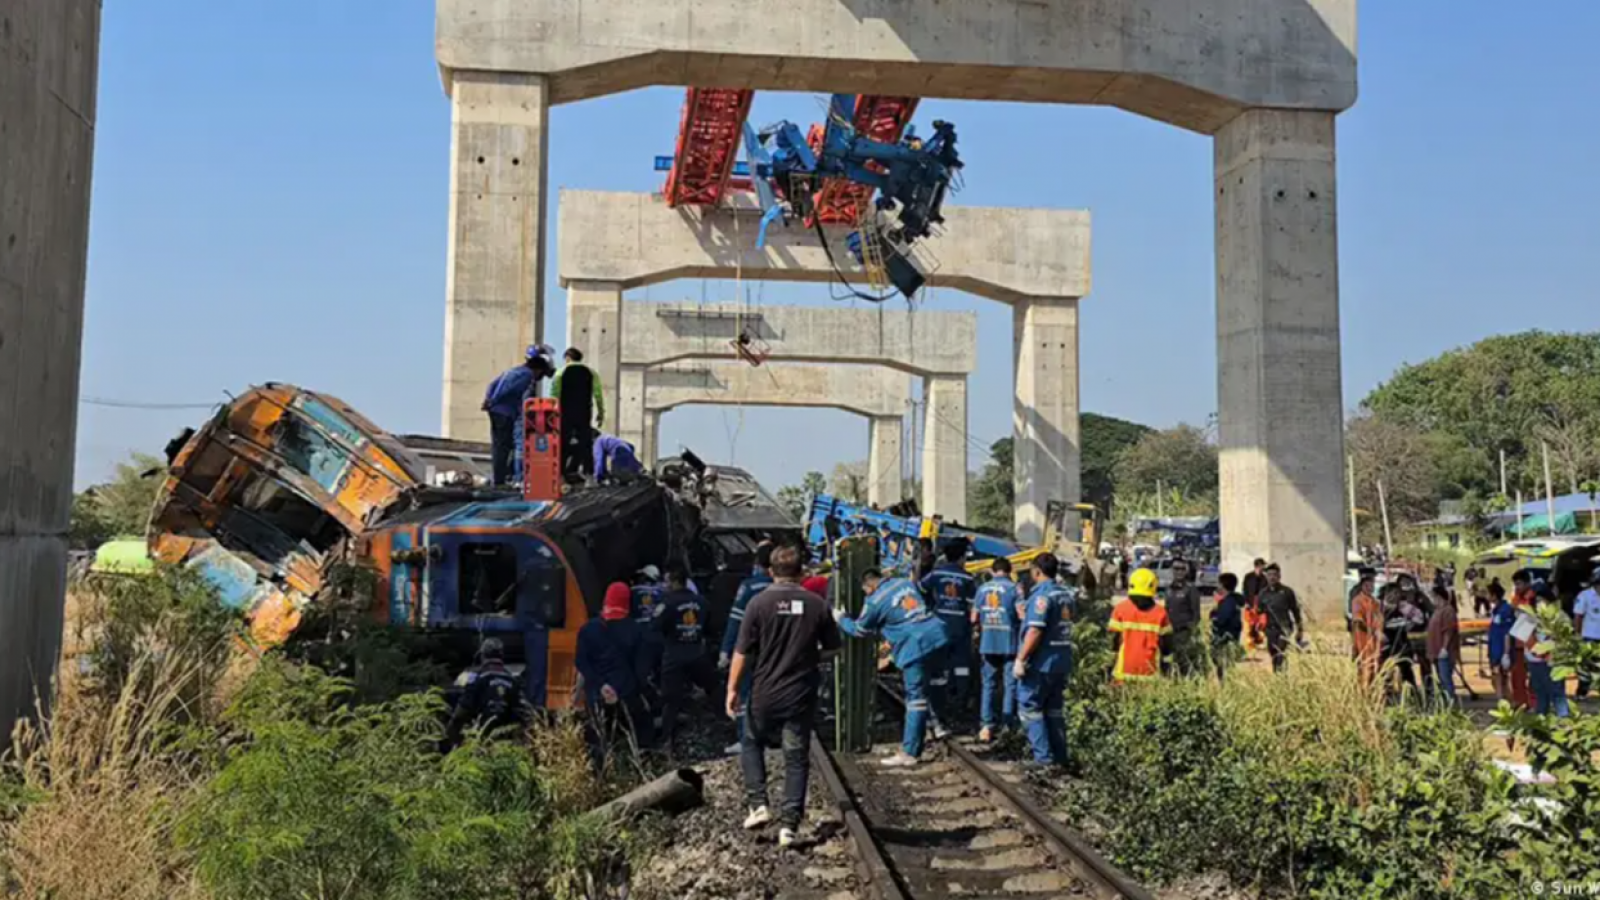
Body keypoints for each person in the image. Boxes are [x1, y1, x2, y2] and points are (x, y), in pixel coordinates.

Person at [727, 544, 842, 848]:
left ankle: (758, 804)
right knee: (796, 756)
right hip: (800, 694)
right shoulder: (816, 604)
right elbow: (833, 648)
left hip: (764, 693)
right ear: (801, 572)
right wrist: (809, 656)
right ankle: (789, 826)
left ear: (770, 571)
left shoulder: (757, 604)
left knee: (751, 742)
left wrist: (732, 689)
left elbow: (742, 651)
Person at [837, 566, 951, 767]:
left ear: (869, 587)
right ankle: (938, 724)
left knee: (915, 699)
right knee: (935, 683)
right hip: (938, 634)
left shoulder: (874, 601)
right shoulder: (904, 582)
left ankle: (910, 752)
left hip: (914, 645)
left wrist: (841, 618)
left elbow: (859, 630)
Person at [576, 583, 655, 765]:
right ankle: (640, 766)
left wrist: (601, 686)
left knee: (597, 741)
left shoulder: (588, 629)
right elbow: (642, 670)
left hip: (597, 694)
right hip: (627, 694)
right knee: (641, 731)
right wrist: (630, 690)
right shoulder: (637, 630)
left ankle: (600, 773)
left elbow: (581, 663)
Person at [1013, 554, 1075, 767]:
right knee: (1054, 710)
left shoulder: (1041, 596)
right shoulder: (1065, 594)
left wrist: (1021, 658)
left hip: (1042, 662)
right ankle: (1060, 757)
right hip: (1062, 660)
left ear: (1037, 571)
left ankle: (1043, 759)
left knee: (1029, 707)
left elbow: (1035, 631)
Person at [656, 564, 720, 752]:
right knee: (714, 687)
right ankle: (727, 718)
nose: (665, 585)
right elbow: (711, 628)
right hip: (697, 653)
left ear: (675, 581)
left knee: (670, 699)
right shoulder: (702, 601)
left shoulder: (667, 603)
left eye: (667, 581)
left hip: (674, 656)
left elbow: (655, 627)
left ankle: (666, 739)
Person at [720, 542, 774, 754]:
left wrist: (725, 650)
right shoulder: (786, 587)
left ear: (757, 563)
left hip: (752, 648)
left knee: (745, 692)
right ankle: (770, 736)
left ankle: (746, 738)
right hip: (777, 649)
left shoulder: (749, 587)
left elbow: (736, 620)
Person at [482, 346, 556, 486]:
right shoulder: (526, 375)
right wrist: (493, 401)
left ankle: (500, 478)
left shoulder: (514, 370)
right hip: (505, 412)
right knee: (503, 447)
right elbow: (507, 389)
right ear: (538, 369)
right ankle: (500, 481)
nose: (539, 378)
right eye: (541, 374)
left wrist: (489, 399)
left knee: (501, 446)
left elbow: (492, 385)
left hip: (498, 411)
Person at [920, 539, 978, 716]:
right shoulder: (967, 578)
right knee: (961, 665)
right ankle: (960, 700)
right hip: (961, 628)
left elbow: (920, 589)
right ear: (961, 558)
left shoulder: (936, 574)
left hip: (939, 625)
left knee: (938, 664)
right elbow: (973, 605)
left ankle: (937, 704)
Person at [973, 558, 1022, 742]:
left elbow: (973, 617)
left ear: (992, 571)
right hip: (1009, 642)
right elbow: (1022, 615)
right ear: (1009, 571)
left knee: (988, 684)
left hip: (988, 642)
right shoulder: (1015, 589)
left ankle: (986, 727)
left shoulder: (982, 589)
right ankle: (1007, 726)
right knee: (1010, 684)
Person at [443, 637, 522, 751]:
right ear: (502, 656)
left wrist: (450, 737)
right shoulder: (513, 681)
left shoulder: (477, 679)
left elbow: (460, 714)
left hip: (480, 743)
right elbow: (522, 714)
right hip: (506, 745)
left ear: (482, 656)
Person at [1109, 568, 1173, 683]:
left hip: (1123, 673)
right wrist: (1167, 668)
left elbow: (1113, 641)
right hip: (1150, 675)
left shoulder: (1120, 609)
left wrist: (1109, 666)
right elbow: (1167, 645)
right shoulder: (1160, 613)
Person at [552, 348, 604, 482]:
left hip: (565, 412)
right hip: (584, 411)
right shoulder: (591, 372)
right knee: (585, 443)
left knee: (563, 442)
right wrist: (601, 412)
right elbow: (598, 394)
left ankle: (560, 475)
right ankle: (589, 476)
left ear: (568, 358)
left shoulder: (560, 372)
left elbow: (554, 394)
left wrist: (552, 412)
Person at [1524, 591, 1571, 718]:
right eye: (1537, 601)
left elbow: (1565, 637)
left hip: (1555, 660)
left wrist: (1551, 654)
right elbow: (1525, 637)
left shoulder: (1560, 616)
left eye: (1542, 600)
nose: (1540, 604)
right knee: (1540, 693)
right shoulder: (1529, 616)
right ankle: (1541, 721)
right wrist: (1540, 653)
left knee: (1557, 693)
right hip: (1535, 661)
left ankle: (1564, 721)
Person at [1257, 563, 1304, 673]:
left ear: (1279, 576)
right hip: (1270, 629)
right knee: (1273, 653)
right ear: (1266, 577)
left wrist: (1300, 629)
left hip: (1284, 628)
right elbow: (1259, 612)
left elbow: (1295, 610)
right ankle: (1277, 675)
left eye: (1274, 574)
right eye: (1269, 575)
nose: (1272, 577)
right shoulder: (1263, 593)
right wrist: (1259, 626)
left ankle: (1282, 675)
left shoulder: (1287, 592)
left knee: (1280, 653)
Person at [1164, 559, 1203, 676]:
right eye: (1176, 569)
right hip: (1171, 632)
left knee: (1184, 663)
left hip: (1185, 633)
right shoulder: (1168, 589)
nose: (1179, 572)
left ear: (1186, 571)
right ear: (1172, 570)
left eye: (1182, 569)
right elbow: (1166, 609)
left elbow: (1196, 614)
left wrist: (1192, 633)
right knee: (1170, 663)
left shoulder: (1190, 589)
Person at [1425, 585, 1461, 705]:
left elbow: (1448, 631)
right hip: (1436, 650)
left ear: (1439, 597)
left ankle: (1450, 704)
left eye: (1433, 596)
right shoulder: (1437, 610)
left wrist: (1444, 648)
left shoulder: (1448, 611)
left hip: (1445, 651)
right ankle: (1445, 703)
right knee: (1441, 678)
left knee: (1446, 679)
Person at [1348, 568, 1383, 688]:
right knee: (1364, 668)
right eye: (1368, 583)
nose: (1371, 586)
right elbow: (1357, 619)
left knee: (1374, 667)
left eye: (1372, 583)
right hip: (1362, 638)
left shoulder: (1375, 602)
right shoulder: (1357, 597)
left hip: (1374, 640)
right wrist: (1373, 631)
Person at [1509, 570, 1537, 710]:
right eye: (1515, 584)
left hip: (1532, 642)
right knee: (1517, 674)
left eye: (1519, 584)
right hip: (1518, 641)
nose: (1517, 587)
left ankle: (1534, 703)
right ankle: (1519, 702)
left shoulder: (1534, 597)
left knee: (1535, 675)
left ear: (1527, 583)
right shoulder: (1516, 598)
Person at [1211, 573, 1245, 680]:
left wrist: (1214, 616)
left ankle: (1224, 686)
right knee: (1227, 666)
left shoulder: (1228, 602)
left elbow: (1222, 620)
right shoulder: (1234, 600)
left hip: (1225, 638)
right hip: (1232, 637)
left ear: (1223, 585)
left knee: (1223, 666)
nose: (1217, 586)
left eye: (1219, 583)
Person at [1486, 582, 1516, 701]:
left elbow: (1507, 633)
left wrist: (1506, 653)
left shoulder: (1506, 610)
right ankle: (1503, 701)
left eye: (1488, 594)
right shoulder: (1496, 610)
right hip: (1494, 650)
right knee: (1497, 678)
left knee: (1502, 678)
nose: (1487, 596)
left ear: (1494, 595)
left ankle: (1507, 702)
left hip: (1501, 651)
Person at [1574, 567, 1600, 698]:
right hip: (1588, 637)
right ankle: (1582, 692)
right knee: (1585, 667)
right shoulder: (1585, 596)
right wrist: (1577, 635)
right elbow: (1578, 616)